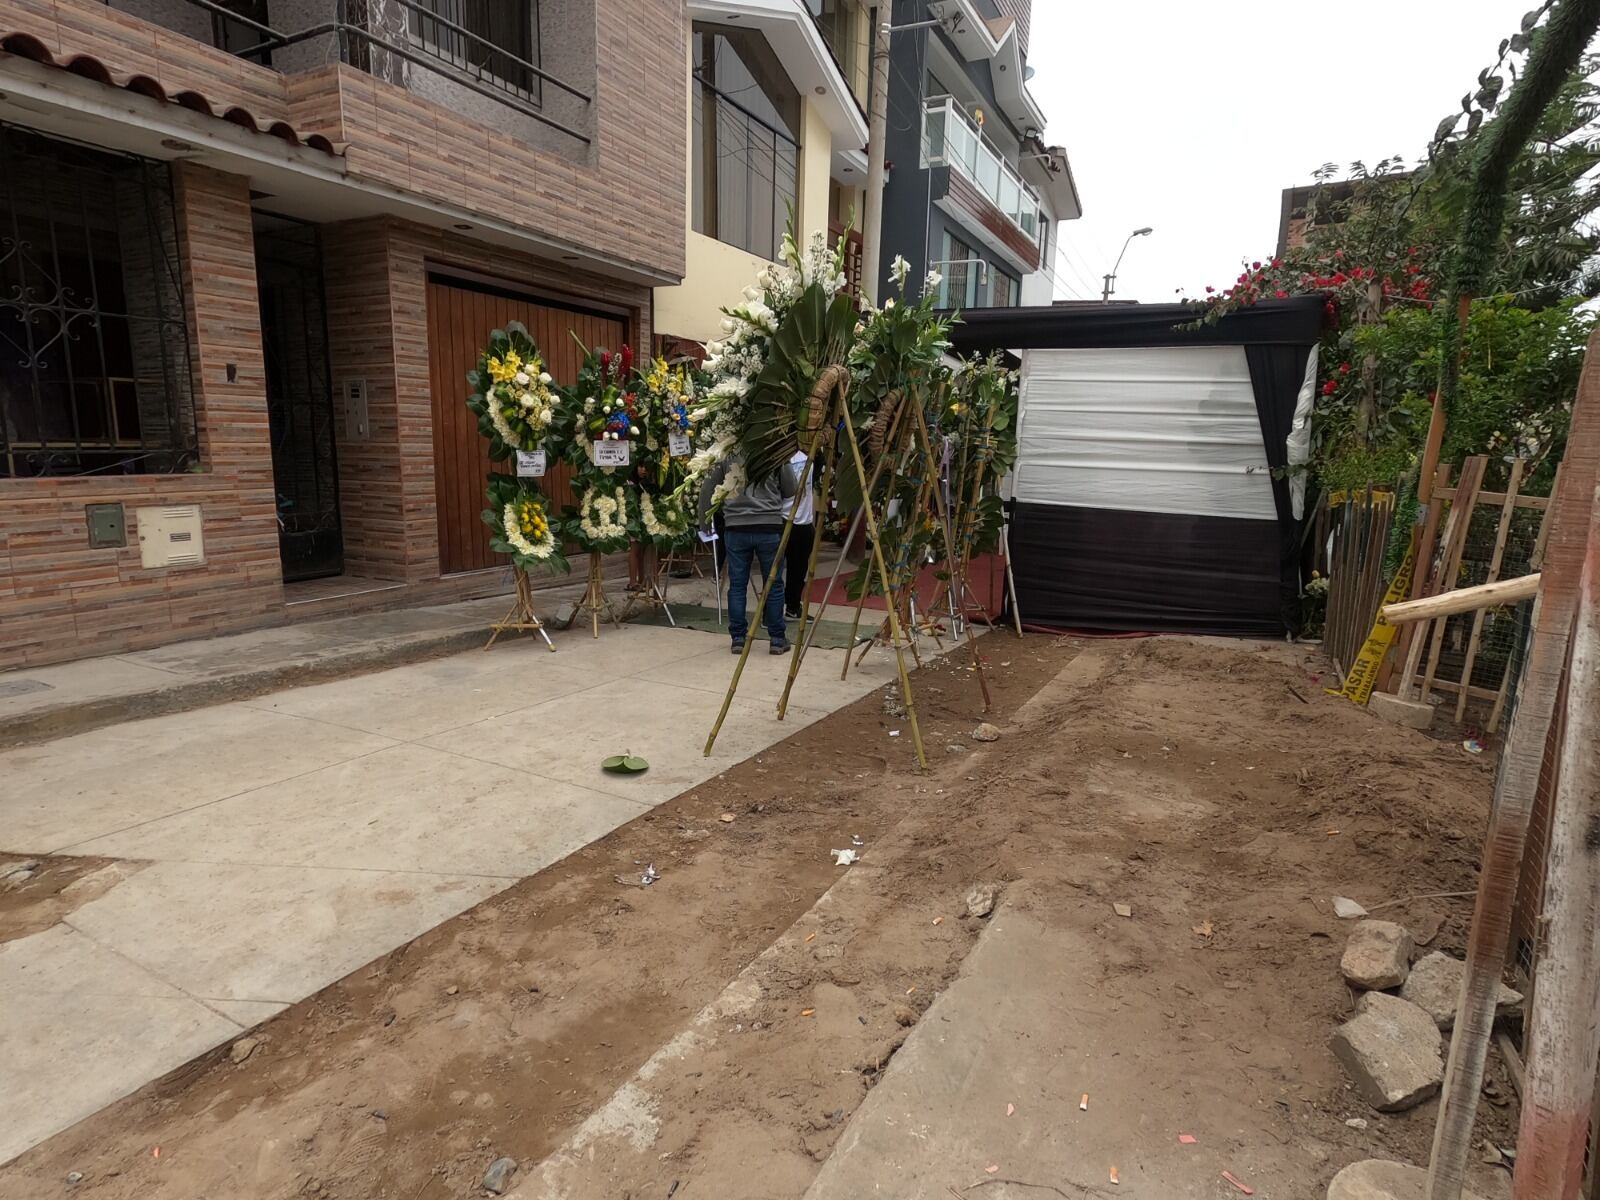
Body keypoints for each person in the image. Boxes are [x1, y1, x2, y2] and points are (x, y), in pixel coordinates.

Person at [699, 456, 801, 655]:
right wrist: (785, 460)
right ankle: (777, 639)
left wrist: (704, 524)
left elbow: (707, 489)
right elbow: (791, 489)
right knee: (773, 585)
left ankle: (738, 638)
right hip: (769, 526)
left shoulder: (727, 451)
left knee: (737, 585)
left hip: (736, 527)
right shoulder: (774, 449)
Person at [784, 448, 815, 620]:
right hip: (783, 518)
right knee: (774, 570)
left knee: (799, 568)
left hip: (804, 521)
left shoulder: (810, 455)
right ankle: (769, 611)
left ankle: (793, 606)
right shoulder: (780, 456)